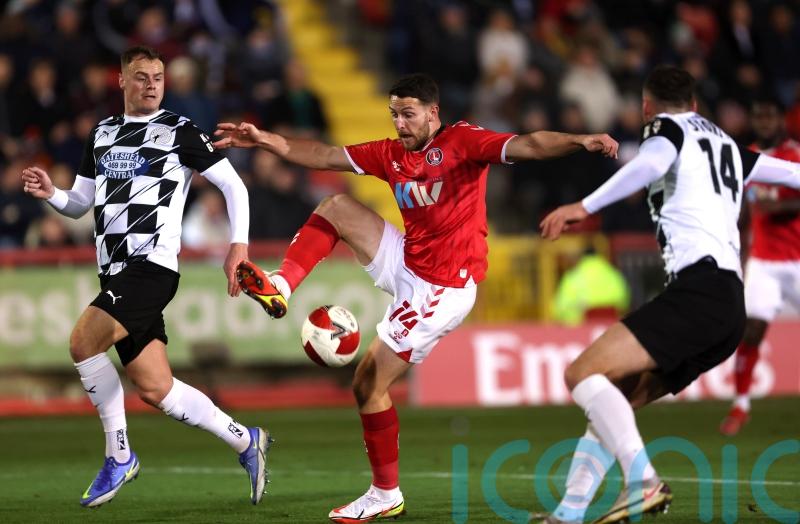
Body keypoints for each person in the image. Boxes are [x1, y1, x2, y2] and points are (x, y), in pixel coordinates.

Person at [213, 73, 618, 522]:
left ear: (433, 112)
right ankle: (281, 286)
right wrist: (265, 139)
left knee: (368, 383)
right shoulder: (390, 153)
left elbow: (530, 144)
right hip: (408, 260)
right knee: (334, 207)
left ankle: (385, 494)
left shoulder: (463, 142)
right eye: (395, 115)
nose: (400, 124)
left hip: (444, 287)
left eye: (408, 115)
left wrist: (580, 140)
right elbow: (324, 155)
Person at [537, 65, 800, 524]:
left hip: (700, 291)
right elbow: (793, 174)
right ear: (696, 105)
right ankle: (568, 515)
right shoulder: (729, 145)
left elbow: (652, 163)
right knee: (611, 397)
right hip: (728, 306)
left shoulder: (665, 132)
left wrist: (584, 205)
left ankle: (643, 483)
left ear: (646, 107)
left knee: (582, 373)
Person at [20, 46, 272, 508]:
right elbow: (81, 203)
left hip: (152, 267)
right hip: (115, 272)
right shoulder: (101, 133)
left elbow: (233, 185)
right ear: (121, 80)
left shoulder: (177, 129)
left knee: (82, 343)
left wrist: (239, 245)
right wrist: (51, 194)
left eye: (158, 76)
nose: (152, 83)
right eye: (141, 76)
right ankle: (245, 439)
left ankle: (119, 455)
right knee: (157, 388)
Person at [720, 97, 800, 436]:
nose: (765, 121)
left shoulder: (793, 154)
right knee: (752, 330)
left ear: (781, 119)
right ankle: (741, 405)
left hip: (797, 260)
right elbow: (740, 211)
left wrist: (774, 204)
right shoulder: (745, 157)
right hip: (764, 262)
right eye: (759, 115)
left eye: (770, 115)